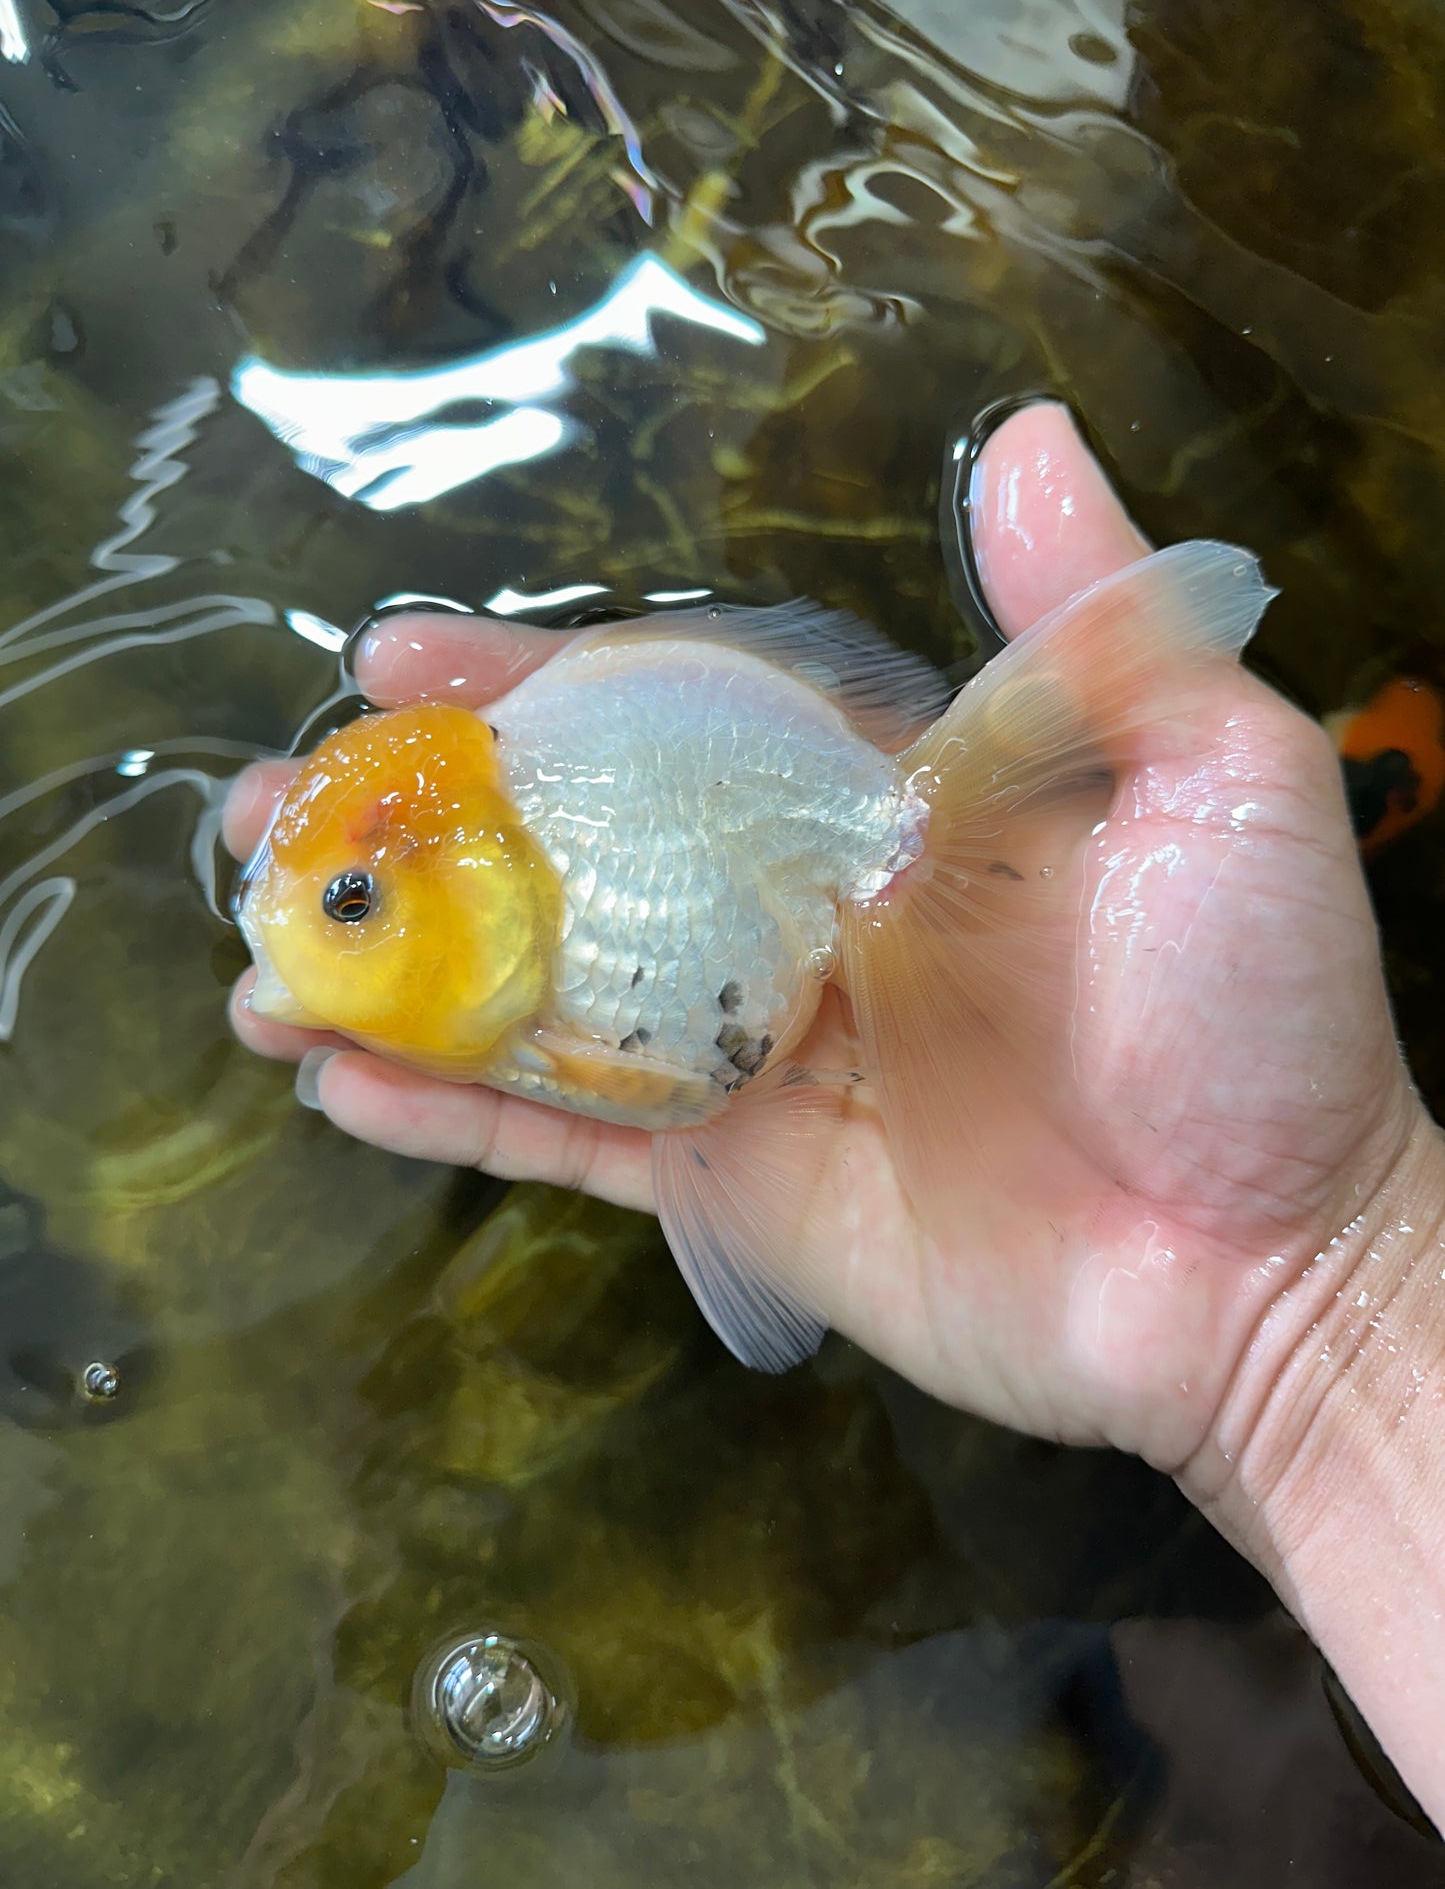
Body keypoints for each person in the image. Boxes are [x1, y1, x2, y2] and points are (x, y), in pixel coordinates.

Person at [223, 401, 1445, 1830]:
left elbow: (672, 1070)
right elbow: (672, 1097)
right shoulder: (497, 887)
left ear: (468, 885)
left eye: (353, 905)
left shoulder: (553, 882)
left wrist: (1320, 1287)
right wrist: (1333, 1305)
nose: (310, 940)